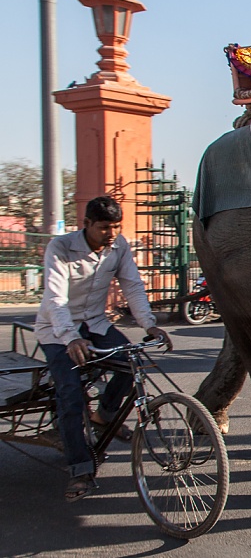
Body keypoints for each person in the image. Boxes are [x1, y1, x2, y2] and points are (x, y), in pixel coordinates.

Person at [35, 195, 173, 502]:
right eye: (103, 227)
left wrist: (148, 324)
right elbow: (56, 298)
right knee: (70, 393)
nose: (110, 233)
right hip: (58, 331)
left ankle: (105, 414)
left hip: (95, 323)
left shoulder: (119, 246)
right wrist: (70, 337)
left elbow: (132, 284)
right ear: (85, 224)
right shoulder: (61, 248)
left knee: (132, 362)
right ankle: (81, 468)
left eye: (116, 226)